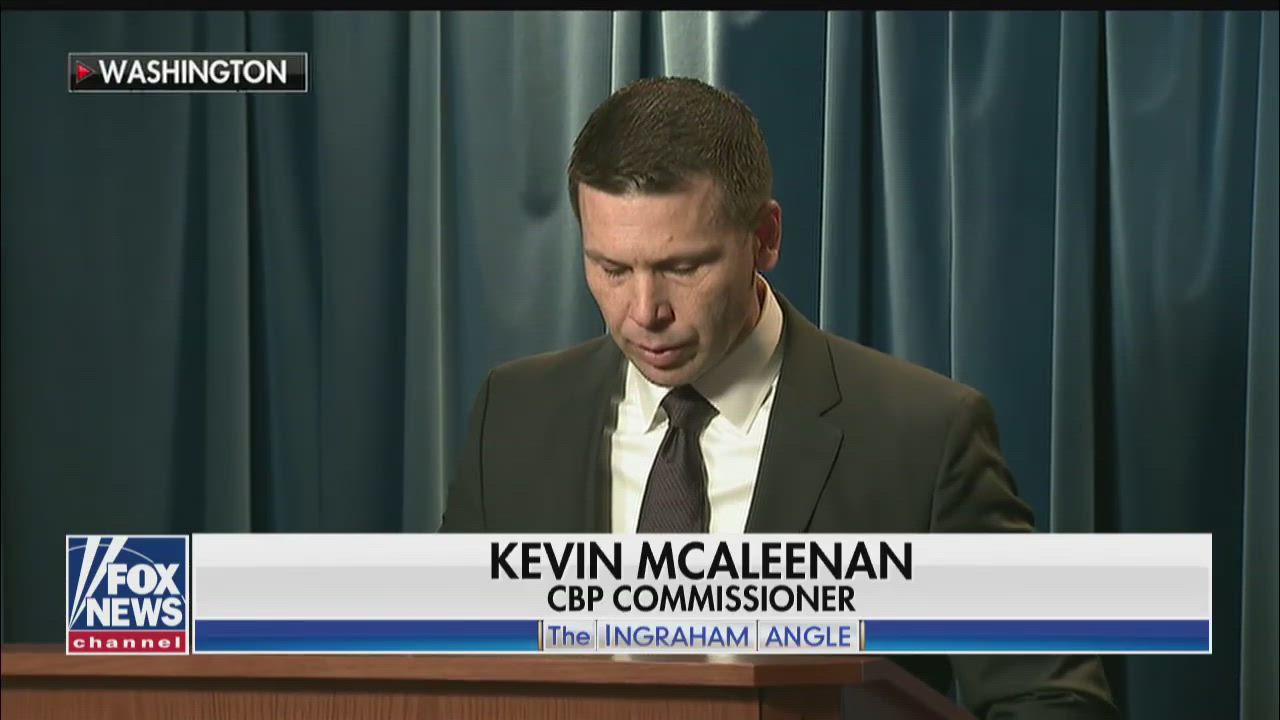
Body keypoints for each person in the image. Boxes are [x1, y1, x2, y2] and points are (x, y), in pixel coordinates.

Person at [441, 76, 1118, 719]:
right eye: (612, 268)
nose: (644, 311)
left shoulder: (925, 438)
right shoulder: (513, 416)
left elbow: (1056, 702)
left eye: (683, 266)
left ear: (764, 237)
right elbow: (438, 673)